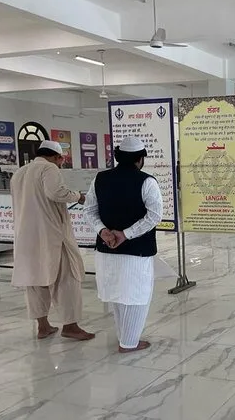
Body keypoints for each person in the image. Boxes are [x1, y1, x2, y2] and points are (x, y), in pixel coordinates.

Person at [84, 136, 163, 353]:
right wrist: (126, 234)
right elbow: (154, 215)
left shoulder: (100, 179)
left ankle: (125, 337)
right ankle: (129, 342)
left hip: (106, 249)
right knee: (136, 295)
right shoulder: (147, 181)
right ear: (140, 159)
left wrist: (104, 231)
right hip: (136, 252)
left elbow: (89, 210)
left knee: (117, 294)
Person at [10, 140, 95, 341]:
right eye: (61, 160)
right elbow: (56, 192)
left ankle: (43, 326)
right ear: (57, 157)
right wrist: (78, 196)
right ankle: (71, 326)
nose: (61, 164)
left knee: (35, 279)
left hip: (26, 236)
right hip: (51, 234)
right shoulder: (49, 168)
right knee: (67, 277)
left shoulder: (19, 173)